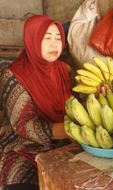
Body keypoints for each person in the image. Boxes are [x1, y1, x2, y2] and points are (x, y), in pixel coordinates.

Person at [0, 15, 72, 190]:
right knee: (23, 179)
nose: (54, 44)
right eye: (47, 38)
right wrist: (67, 130)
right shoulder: (13, 76)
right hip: (24, 148)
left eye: (58, 38)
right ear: (32, 39)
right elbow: (23, 125)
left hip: (64, 146)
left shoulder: (65, 70)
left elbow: (77, 104)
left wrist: (98, 96)